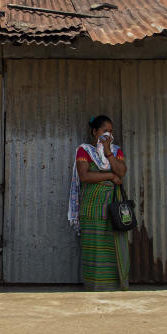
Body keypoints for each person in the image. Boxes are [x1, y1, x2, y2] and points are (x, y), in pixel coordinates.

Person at [68, 115, 129, 291]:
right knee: (94, 247)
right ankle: (95, 287)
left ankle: (115, 286)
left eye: (110, 131)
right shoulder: (84, 151)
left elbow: (122, 172)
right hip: (92, 208)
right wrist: (110, 176)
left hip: (114, 208)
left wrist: (108, 151)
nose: (108, 135)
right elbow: (85, 176)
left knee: (114, 245)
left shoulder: (116, 151)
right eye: (104, 131)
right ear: (94, 132)